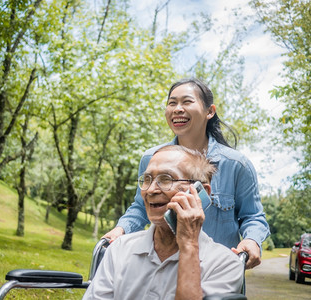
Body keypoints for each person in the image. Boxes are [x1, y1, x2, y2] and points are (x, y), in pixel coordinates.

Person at [104, 78, 270, 269]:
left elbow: (253, 216)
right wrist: (120, 229)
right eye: (172, 103)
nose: (177, 109)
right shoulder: (152, 158)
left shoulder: (237, 165)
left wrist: (252, 240)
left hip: (216, 271)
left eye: (187, 102)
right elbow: (140, 207)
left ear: (210, 111)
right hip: (162, 268)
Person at [83, 146, 244, 299]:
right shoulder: (119, 249)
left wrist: (189, 245)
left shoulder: (225, 265)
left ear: (200, 191)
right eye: (147, 179)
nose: (151, 190)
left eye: (166, 179)